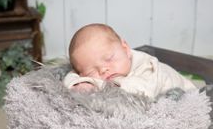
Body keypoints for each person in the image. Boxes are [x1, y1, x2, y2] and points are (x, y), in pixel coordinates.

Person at [63, 23, 197, 99]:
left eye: (109, 59)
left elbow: (144, 92)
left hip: (187, 94)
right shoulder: (86, 72)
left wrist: (101, 85)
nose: (103, 69)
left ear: (125, 49)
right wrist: (82, 84)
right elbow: (71, 79)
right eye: (92, 70)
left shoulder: (147, 66)